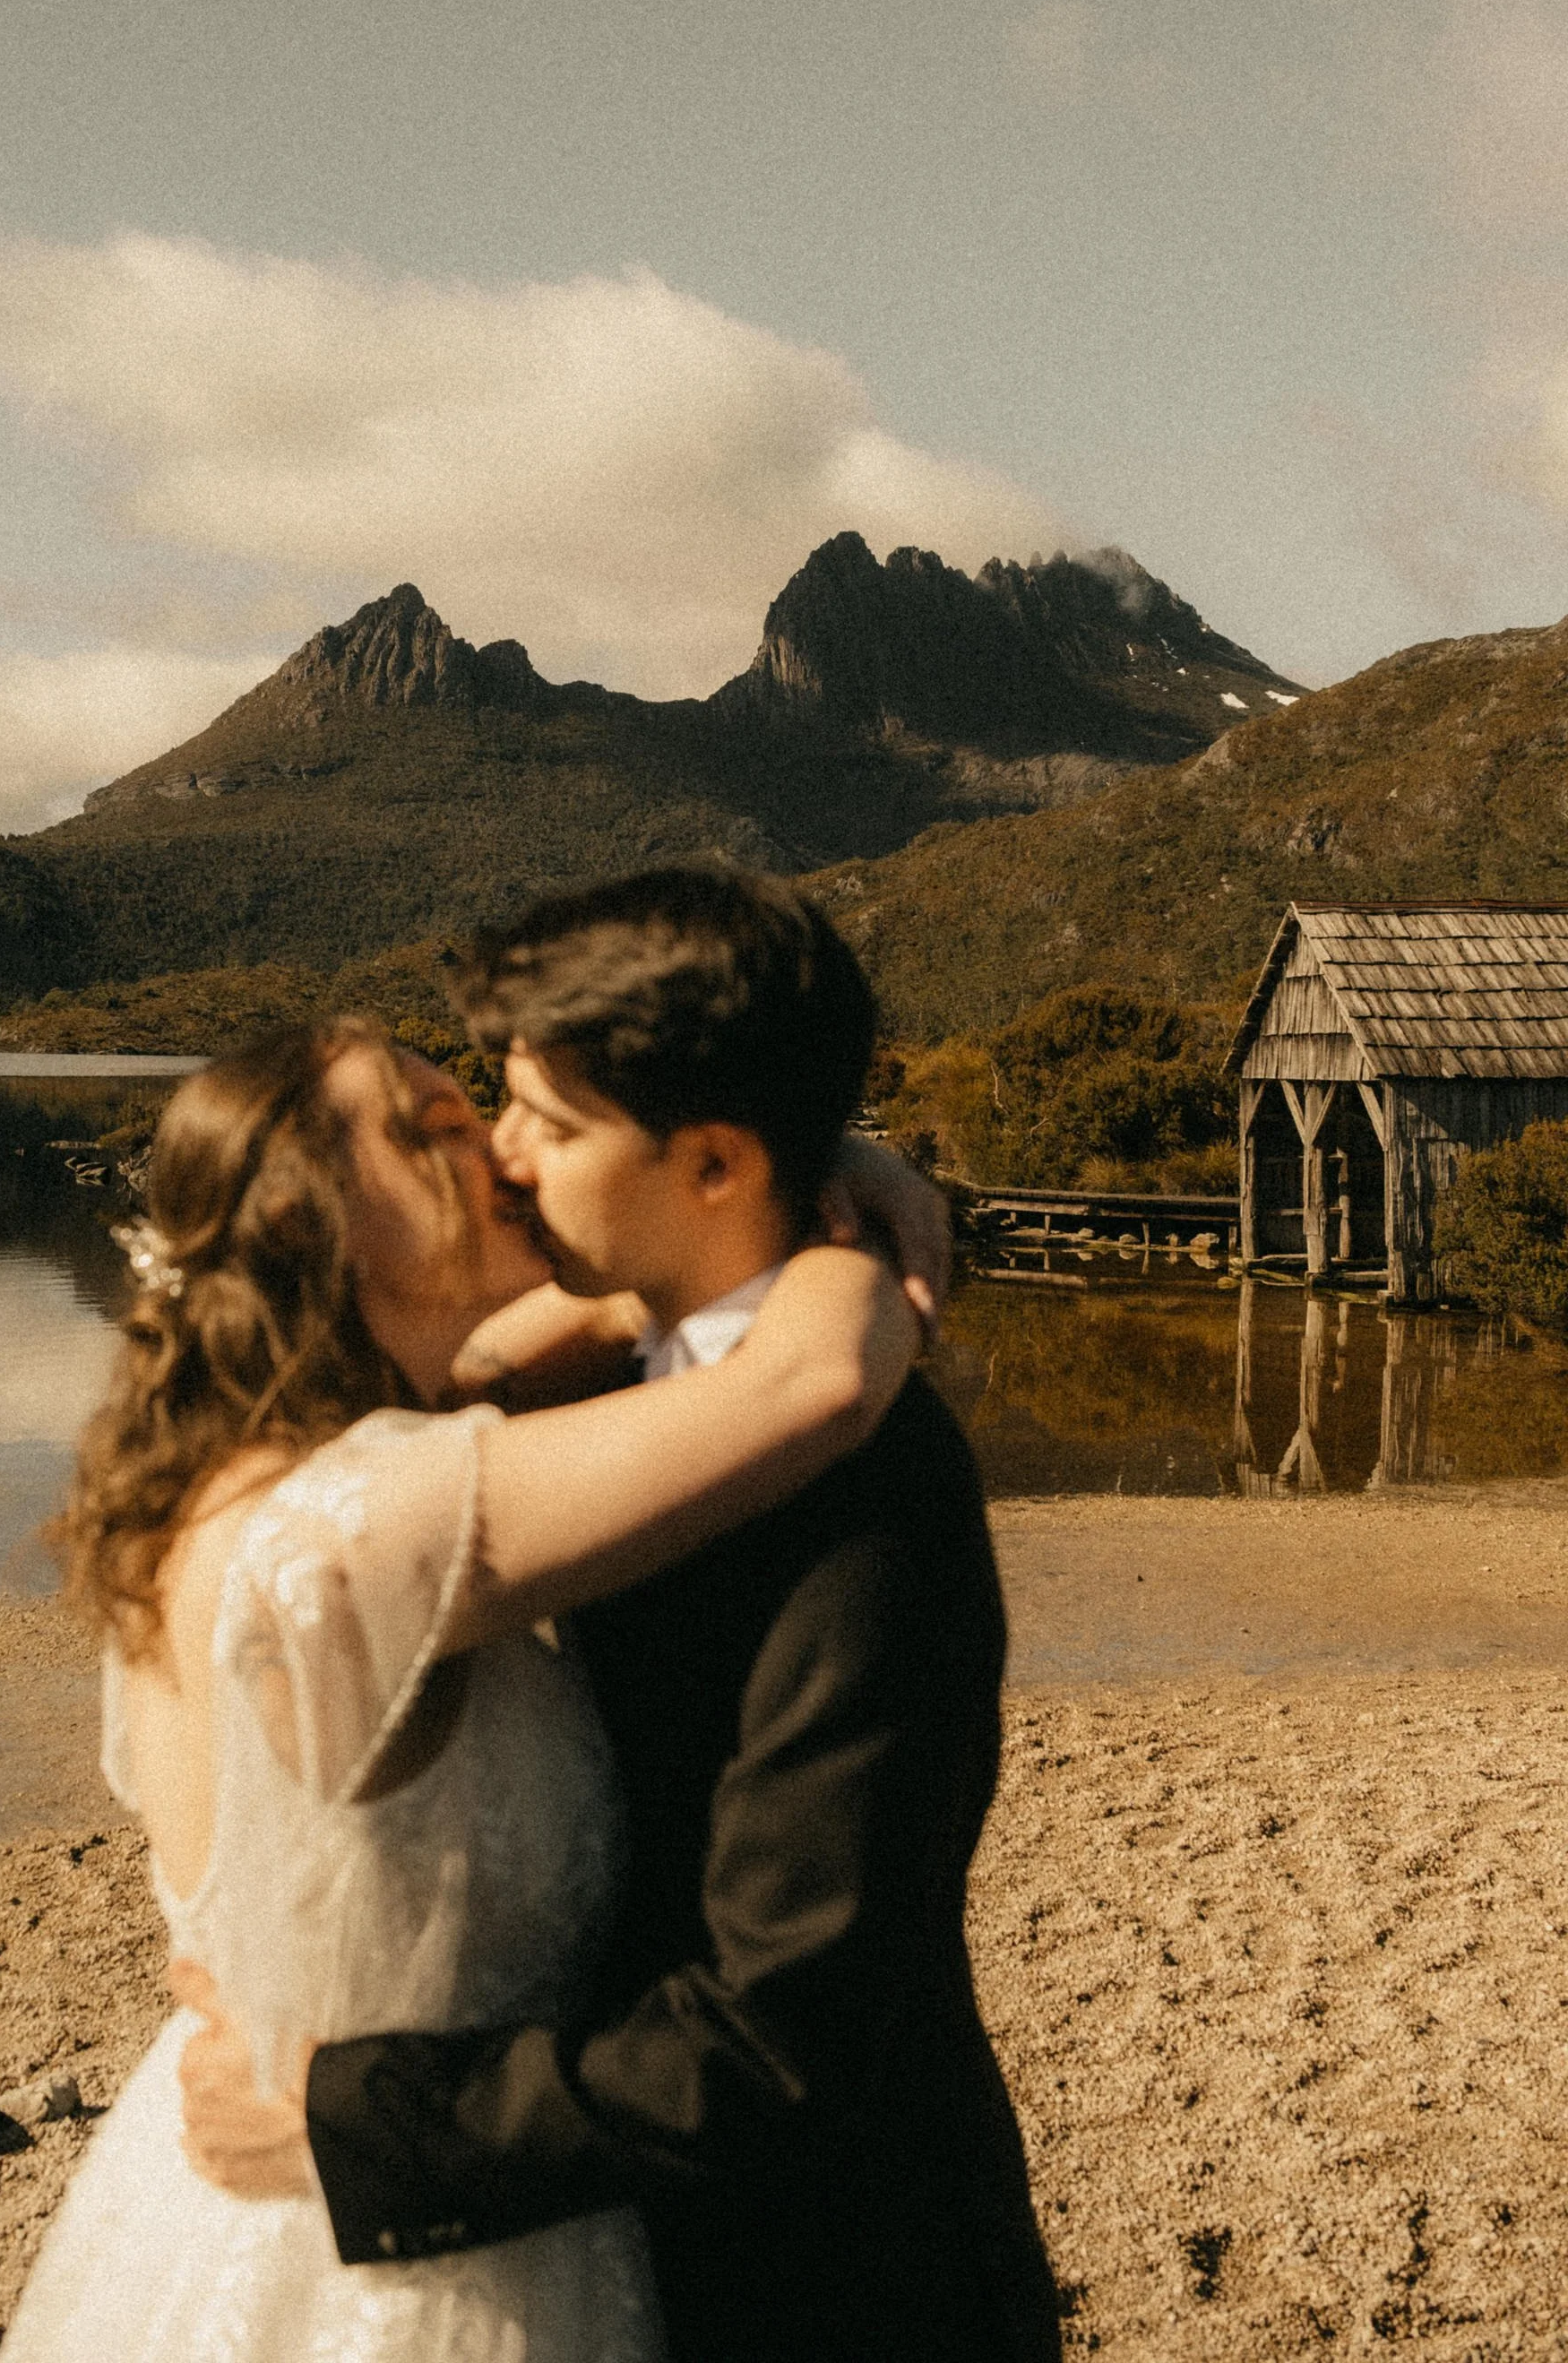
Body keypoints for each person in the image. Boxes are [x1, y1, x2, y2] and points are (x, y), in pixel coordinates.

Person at [180, 868, 1062, 2363]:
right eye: (490, 1109)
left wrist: (348, 2117)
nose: (505, 1163)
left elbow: (790, 2035)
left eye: (548, 1123)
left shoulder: (872, 1502)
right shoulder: (588, 1383)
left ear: (713, 1163)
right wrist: (843, 1159)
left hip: (823, 2288)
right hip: (608, 2247)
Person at [0, 1005, 923, 2363]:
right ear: (313, 1221)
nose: (495, 1147)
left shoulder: (250, 1473)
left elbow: (577, 1315)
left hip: (286, 2190)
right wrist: (858, 1220)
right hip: (411, 2256)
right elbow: (819, 1374)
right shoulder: (368, 1520)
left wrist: (814, 1156)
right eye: (430, 1128)